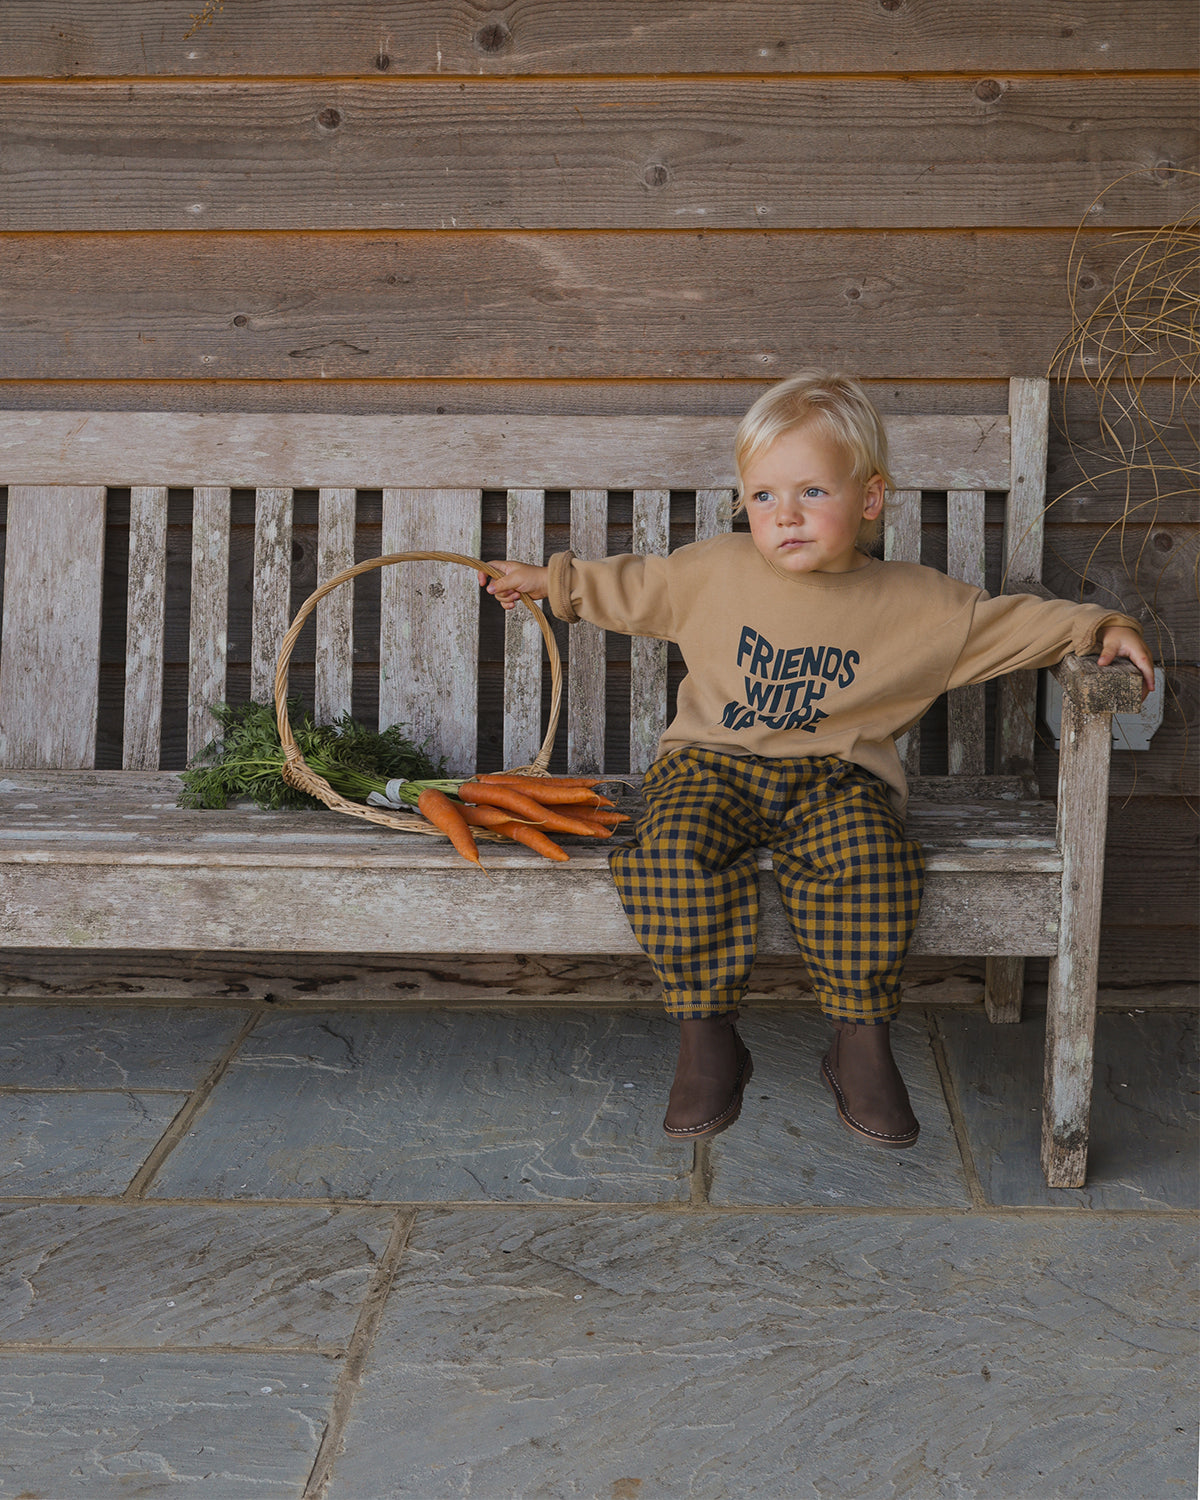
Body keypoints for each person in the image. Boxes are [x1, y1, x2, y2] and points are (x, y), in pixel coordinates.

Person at [478, 372, 1154, 1151]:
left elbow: (1013, 624)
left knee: (872, 863)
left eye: (810, 493)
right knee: (670, 853)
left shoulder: (918, 603)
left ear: (869, 499)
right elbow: (630, 584)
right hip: (709, 764)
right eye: (763, 496)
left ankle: (859, 1043)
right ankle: (709, 1039)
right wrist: (549, 583)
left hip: (839, 778)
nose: (784, 515)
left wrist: (1101, 624)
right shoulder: (714, 570)